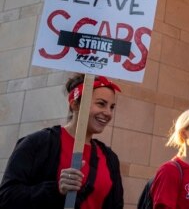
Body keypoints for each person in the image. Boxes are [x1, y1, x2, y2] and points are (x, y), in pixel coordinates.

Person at [0, 73, 124, 209]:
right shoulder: (38, 143)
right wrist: (56, 189)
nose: (108, 113)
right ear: (75, 105)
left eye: (112, 107)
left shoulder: (109, 158)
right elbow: (6, 197)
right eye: (101, 104)